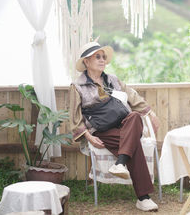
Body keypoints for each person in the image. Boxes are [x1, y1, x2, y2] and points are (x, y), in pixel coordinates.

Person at [69, 41, 161, 212]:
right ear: (86, 62)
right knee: (134, 145)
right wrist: (89, 137)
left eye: (103, 56)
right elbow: (75, 118)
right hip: (102, 131)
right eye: (97, 57)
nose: (102, 60)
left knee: (134, 116)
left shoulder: (113, 80)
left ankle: (120, 163)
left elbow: (133, 97)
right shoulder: (77, 87)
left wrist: (151, 113)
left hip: (124, 125)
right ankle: (143, 197)